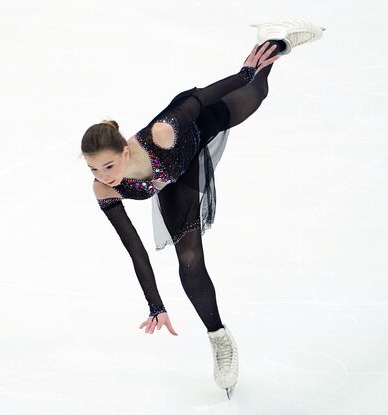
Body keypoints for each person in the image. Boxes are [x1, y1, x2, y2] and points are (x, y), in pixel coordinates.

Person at [80, 20, 324, 399]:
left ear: (125, 152)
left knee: (256, 91)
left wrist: (243, 73)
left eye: (108, 167)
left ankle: (274, 43)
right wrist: (155, 304)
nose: (103, 177)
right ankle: (219, 337)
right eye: (93, 169)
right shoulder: (103, 188)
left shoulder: (163, 132)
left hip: (198, 124)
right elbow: (135, 248)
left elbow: (197, 97)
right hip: (174, 179)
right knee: (190, 259)